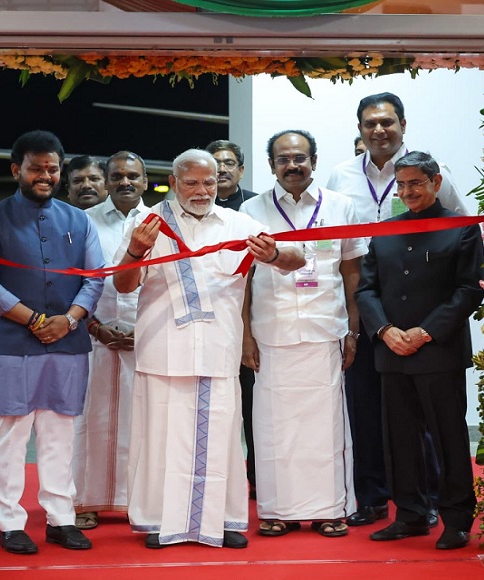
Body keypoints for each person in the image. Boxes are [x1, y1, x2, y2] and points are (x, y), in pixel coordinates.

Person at [112, 148, 304, 550]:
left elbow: (296, 258)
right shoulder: (148, 223)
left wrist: (272, 253)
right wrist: (134, 250)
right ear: (175, 181)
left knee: (223, 439)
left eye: (210, 182)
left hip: (218, 351)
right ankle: (160, 522)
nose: (202, 190)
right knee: (161, 440)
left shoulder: (238, 223)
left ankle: (223, 519)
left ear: (221, 182)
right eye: (192, 182)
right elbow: (123, 285)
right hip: (163, 351)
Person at [0, 130, 105, 555]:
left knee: (59, 434)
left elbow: (95, 279)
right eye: (37, 168)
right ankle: (11, 522)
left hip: (67, 343)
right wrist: (36, 320)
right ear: (16, 169)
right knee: (12, 435)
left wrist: (70, 320)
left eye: (53, 169)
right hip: (9, 344)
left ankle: (61, 519)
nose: (46, 176)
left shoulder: (79, 220)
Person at [327, 92, 467, 529]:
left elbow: (461, 232)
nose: (379, 130)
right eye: (369, 123)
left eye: (387, 122)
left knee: (430, 421)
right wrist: (368, 322)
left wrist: (434, 323)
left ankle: (429, 504)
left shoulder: (430, 171)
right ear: (360, 130)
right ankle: (373, 498)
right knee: (370, 411)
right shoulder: (341, 175)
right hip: (372, 315)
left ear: (403, 125)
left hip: (426, 317)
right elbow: (340, 246)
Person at [355, 151, 484, 550]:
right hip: (391, 351)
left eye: (416, 183)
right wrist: (385, 330)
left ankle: (457, 520)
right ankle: (410, 515)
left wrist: (425, 332)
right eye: (402, 184)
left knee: (448, 438)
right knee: (399, 439)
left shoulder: (462, 228)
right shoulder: (385, 230)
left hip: (438, 352)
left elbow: (469, 290)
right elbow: (366, 289)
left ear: (435, 182)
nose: (408, 191)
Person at [240, 129, 363, 538]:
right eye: (283, 159)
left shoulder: (341, 206)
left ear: (313, 159)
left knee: (325, 426)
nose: (292, 165)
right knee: (273, 426)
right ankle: (276, 510)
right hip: (271, 332)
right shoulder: (251, 209)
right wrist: (245, 336)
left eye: (300, 157)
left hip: (324, 330)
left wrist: (353, 329)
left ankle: (330, 508)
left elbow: (351, 271)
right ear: (271, 163)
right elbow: (240, 279)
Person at [72, 151, 148, 530]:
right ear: (106, 180)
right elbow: (75, 280)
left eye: (132, 175)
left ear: (145, 181)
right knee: (90, 418)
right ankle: (84, 499)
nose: (125, 182)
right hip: (93, 335)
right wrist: (95, 325)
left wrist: (147, 330)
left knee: (143, 420)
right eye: (117, 176)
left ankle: (139, 501)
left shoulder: (161, 222)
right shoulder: (84, 221)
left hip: (145, 339)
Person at [204, 139, 259, 499]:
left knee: (255, 409)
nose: (221, 170)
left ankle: (257, 477)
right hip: (210, 324)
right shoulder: (190, 209)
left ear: (240, 169)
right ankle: (215, 480)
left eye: (228, 163)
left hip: (254, 324)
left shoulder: (255, 208)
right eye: (214, 164)